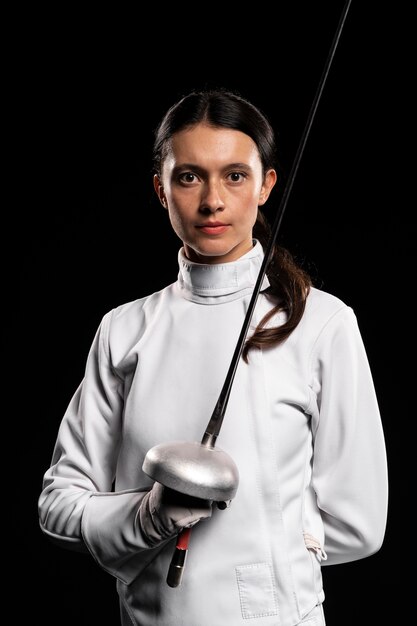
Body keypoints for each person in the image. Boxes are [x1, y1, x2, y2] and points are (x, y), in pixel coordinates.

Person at [38, 88, 388, 626]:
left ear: (267, 185)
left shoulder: (322, 323)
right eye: (189, 176)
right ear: (161, 189)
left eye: (235, 175)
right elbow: (59, 509)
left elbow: (359, 523)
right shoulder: (123, 330)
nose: (212, 201)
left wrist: (257, 562)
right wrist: (147, 516)